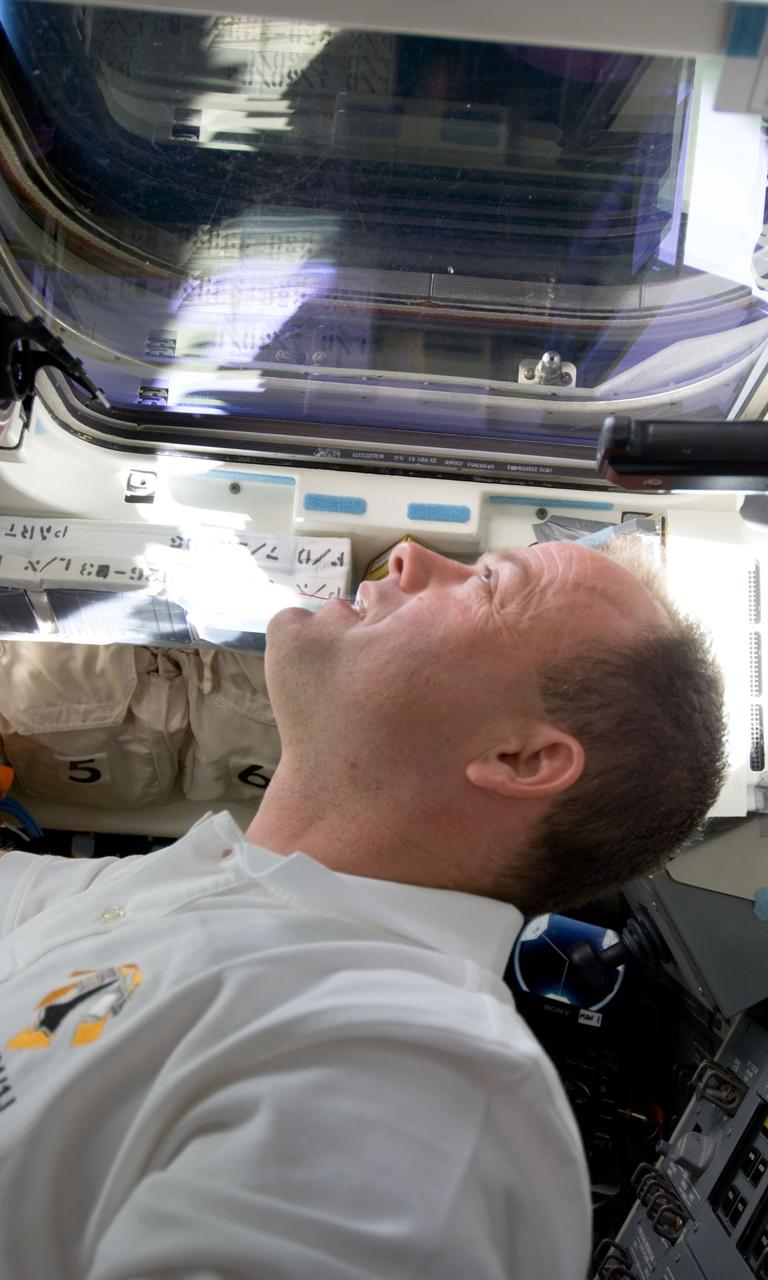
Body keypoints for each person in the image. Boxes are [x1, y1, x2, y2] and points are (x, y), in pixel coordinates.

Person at [0, 536, 725, 1280]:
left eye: (486, 583)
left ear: (521, 758)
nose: (407, 555)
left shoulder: (416, 1081)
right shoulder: (204, 887)